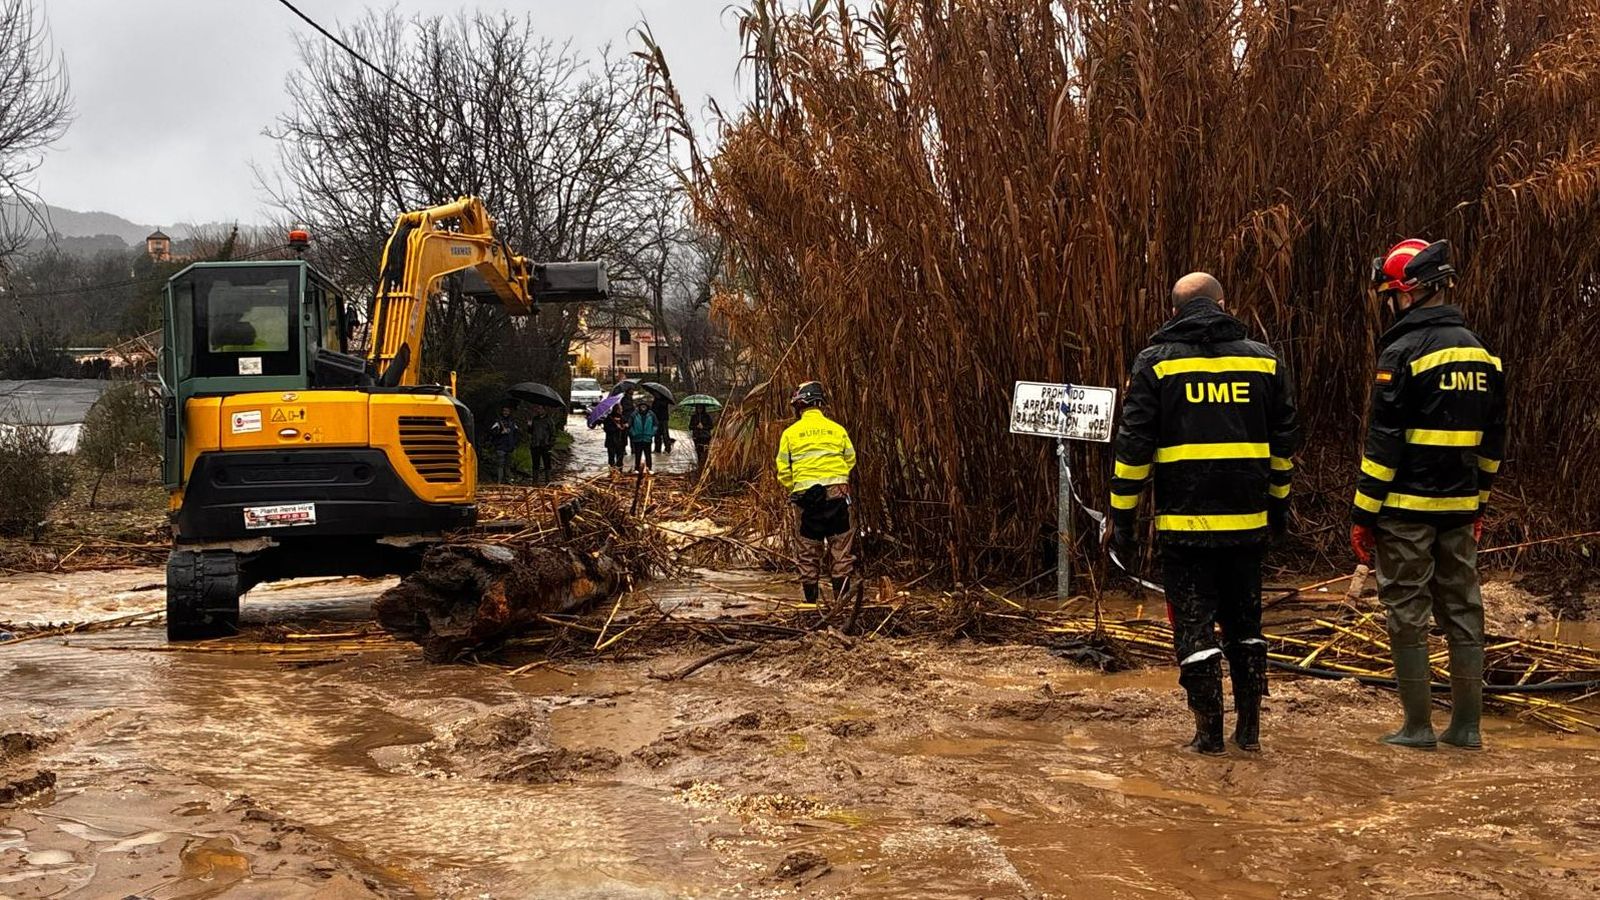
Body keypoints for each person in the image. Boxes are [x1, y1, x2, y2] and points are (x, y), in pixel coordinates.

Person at [1108, 272, 1299, 755]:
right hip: (1248, 527)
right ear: (1222, 304)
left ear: (1173, 312)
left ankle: (1208, 736)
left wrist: (1122, 521)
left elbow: (1132, 453)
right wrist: (1279, 506)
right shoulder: (1265, 361)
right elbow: (1284, 446)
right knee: (1246, 625)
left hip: (1186, 530)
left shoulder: (1155, 364)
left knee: (1194, 627)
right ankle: (1250, 732)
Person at [1350, 239, 1505, 752]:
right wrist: (1478, 504)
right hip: (1460, 509)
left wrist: (1363, 512)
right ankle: (1466, 728)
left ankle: (1416, 727)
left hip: (1405, 510)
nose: (1391, 304)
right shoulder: (1483, 354)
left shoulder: (1401, 352)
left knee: (1406, 610)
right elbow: (1494, 443)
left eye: (1392, 294)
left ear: (1410, 291)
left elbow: (1384, 444)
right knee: (1464, 607)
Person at [775, 381, 857, 605]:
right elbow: (851, 459)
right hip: (837, 494)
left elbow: (782, 469)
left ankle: (810, 603)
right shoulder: (837, 429)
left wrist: (796, 487)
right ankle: (842, 603)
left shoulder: (790, 434)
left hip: (806, 497)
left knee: (808, 548)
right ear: (820, 404)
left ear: (799, 405)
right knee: (841, 547)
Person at [487, 402, 520, 484]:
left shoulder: (512, 422)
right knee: (500, 465)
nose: (506, 412)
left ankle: (508, 480)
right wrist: (500, 432)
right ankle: (499, 481)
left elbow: (516, 434)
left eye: (507, 411)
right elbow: (492, 433)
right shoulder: (498, 421)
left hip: (510, 446)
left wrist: (514, 444)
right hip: (500, 446)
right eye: (504, 411)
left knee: (508, 465)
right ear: (502, 412)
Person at [526, 406, 558, 482]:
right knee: (535, 463)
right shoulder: (535, 419)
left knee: (547, 463)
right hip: (535, 444)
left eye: (540, 409)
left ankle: (547, 480)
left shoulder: (549, 420)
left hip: (546, 445)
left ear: (545, 410)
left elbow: (553, 433)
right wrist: (529, 425)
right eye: (538, 409)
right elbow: (530, 432)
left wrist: (550, 444)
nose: (538, 410)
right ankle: (535, 480)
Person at [629, 396, 658, 474]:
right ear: (639, 407)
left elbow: (655, 425)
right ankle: (637, 469)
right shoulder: (634, 414)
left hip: (647, 438)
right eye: (642, 406)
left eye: (644, 406)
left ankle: (649, 468)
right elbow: (630, 425)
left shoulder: (651, 414)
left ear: (647, 407)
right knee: (637, 454)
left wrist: (652, 433)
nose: (643, 408)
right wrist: (633, 433)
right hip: (637, 438)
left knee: (648, 454)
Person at [600, 405, 629, 472]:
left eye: (621, 409)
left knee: (620, 459)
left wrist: (626, 426)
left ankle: (619, 472)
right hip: (611, 442)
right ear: (616, 410)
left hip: (621, 442)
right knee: (611, 458)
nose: (621, 411)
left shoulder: (623, 418)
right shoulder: (609, 419)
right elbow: (607, 430)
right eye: (619, 409)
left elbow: (626, 429)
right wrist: (616, 428)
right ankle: (612, 472)